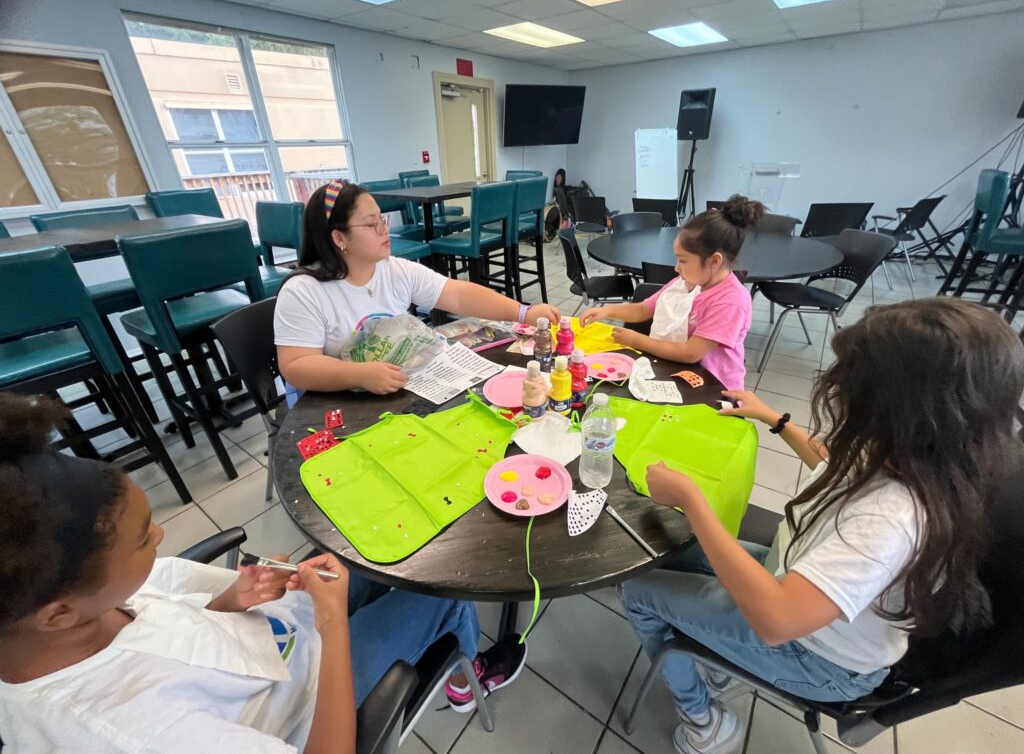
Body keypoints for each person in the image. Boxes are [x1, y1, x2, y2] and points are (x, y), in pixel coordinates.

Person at [0, 394, 523, 752]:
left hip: (279, 637)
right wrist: (333, 627)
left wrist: (232, 599)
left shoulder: (63, 611)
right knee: (440, 586)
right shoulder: (131, 734)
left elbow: (170, 628)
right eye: (143, 537)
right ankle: (467, 678)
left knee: (390, 552)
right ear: (59, 614)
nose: (160, 536)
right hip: (308, 705)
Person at [618, 298, 1024, 754]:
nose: (837, 391)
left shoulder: (891, 518)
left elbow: (777, 621)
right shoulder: (928, 457)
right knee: (673, 547)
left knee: (639, 589)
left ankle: (703, 723)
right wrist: (775, 420)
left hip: (816, 658)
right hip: (793, 583)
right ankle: (715, 651)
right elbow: (835, 466)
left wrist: (692, 501)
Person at [275, 180, 560, 399]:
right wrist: (359, 375)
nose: (384, 230)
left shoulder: (393, 270)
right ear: (339, 238)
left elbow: (457, 294)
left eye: (382, 220)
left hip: (393, 389)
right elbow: (296, 365)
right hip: (337, 402)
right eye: (372, 224)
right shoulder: (304, 292)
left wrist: (523, 312)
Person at [579, 195, 761, 391]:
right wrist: (606, 311)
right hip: (682, 374)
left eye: (683, 260)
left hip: (715, 389)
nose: (676, 268)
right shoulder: (688, 282)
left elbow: (690, 353)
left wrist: (636, 340)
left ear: (714, 261)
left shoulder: (731, 301)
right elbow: (643, 309)